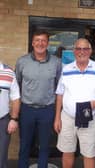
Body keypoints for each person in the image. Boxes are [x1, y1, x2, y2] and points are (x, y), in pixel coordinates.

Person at [54, 38, 95, 168]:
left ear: (90, 51)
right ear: (74, 51)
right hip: (67, 118)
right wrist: (57, 117)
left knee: (89, 153)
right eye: (78, 49)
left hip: (88, 118)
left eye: (85, 49)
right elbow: (60, 94)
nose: (81, 52)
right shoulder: (66, 69)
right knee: (67, 151)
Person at [15, 29, 62, 168]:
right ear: (32, 43)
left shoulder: (56, 62)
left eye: (43, 40)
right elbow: (17, 85)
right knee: (25, 145)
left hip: (47, 110)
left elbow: (59, 87)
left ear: (47, 43)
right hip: (27, 109)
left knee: (44, 145)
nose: (40, 43)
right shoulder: (22, 61)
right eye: (37, 40)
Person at [0, 62, 20, 168]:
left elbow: (16, 97)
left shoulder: (8, 72)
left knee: (1, 157)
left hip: (2, 121)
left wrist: (13, 119)